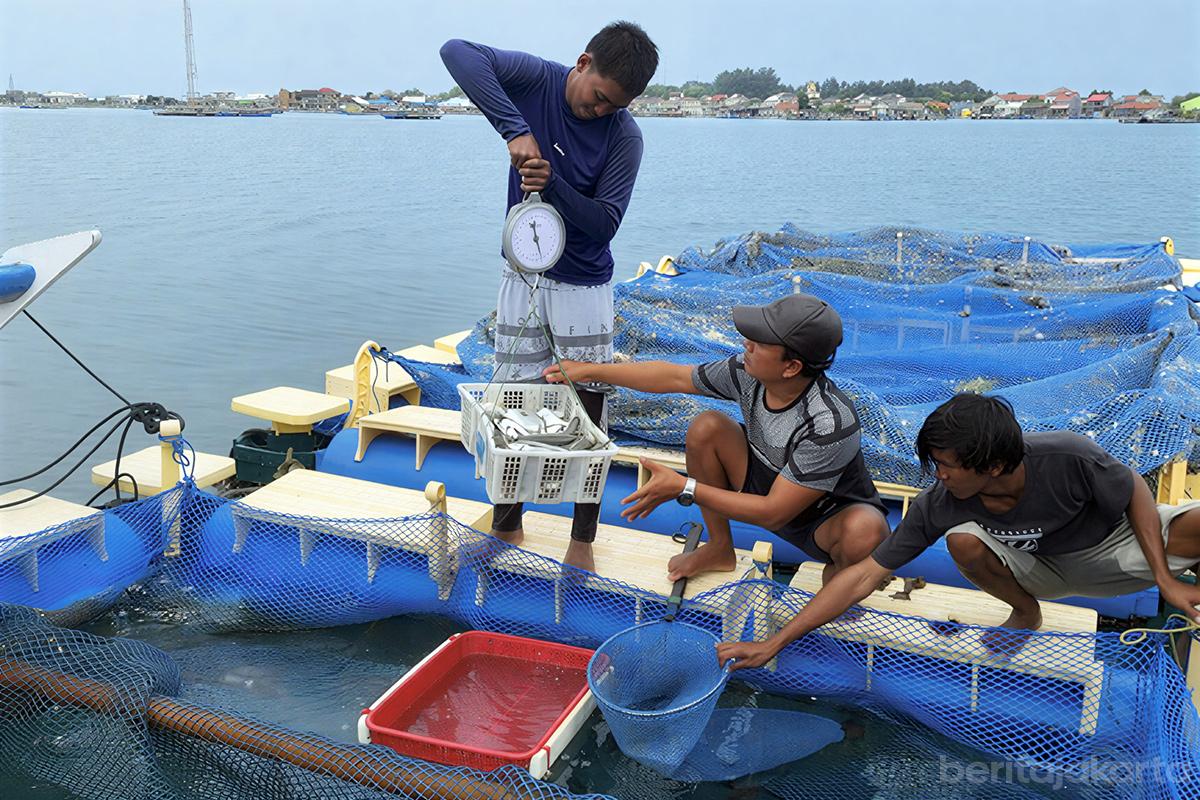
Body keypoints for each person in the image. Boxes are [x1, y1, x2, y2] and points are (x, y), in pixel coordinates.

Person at [717, 393, 1200, 668]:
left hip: (1112, 546)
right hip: (1036, 567)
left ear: (992, 465)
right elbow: (864, 573)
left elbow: (1134, 487)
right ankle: (1024, 611)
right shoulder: (941, 503)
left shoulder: (1067, 455)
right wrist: (776, 643)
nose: (937, 477)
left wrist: (1162, 577)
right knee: (963, 542)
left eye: (945, 466)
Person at [440, 23, 659, 571]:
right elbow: (457, 52)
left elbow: (604, 225)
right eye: (599, 97)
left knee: (587, 408)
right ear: (582, 63)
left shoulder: (624, 137)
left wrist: (554, 181)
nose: (602, 111)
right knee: (512, 402)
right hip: (522, 274)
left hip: (583, 285)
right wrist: (514, 129)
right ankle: (508, 524)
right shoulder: (537, 80)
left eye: (617, 106)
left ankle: (582, 538)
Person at [545, 293, 890, 582]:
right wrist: (588, 370)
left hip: (822, 515)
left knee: (866, 531)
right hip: (766, 479)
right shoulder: (748, 373)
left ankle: (844, 577)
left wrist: (683, 487)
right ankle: (720, 548)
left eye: (760, 342)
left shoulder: (829, 423)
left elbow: (774, 513)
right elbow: (676, 377)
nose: (747, 345)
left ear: (791, 367)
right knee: (707, 427)